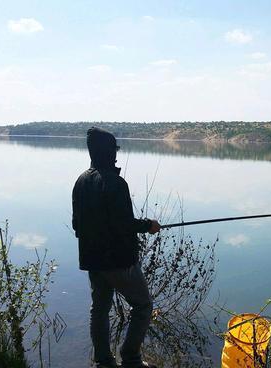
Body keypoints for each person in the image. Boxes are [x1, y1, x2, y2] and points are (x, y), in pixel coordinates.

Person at [72, 127, 161, 368]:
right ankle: (131, 359)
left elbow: (76, 225)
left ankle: (104, 362)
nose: (115, 156)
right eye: (114, 150)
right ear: (108, 152)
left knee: (99, 309)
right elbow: (124, 225)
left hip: (93, 261)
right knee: (143, 306)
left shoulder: (80, 181)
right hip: (119, 262)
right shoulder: (116, 183)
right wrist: (149, 225)